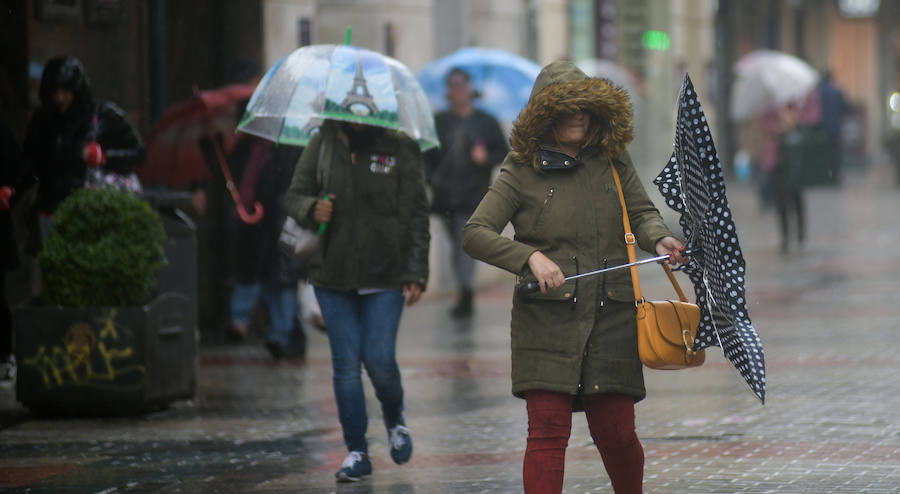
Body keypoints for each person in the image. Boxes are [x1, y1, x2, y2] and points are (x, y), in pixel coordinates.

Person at [462, 61, 685, 494]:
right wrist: (530, 258)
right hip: (546, 320)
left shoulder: (611, 159)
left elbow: (641, 212)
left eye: (585, 106)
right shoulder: (521, 168)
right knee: (547, 434)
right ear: (545, 115)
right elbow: (475, 233)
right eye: (568, 108)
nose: (578, 115)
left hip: (612, 315)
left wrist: (658, 238)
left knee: (617, 433)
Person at [284, 119, 429, 482]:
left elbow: (416, 213)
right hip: (332, 276)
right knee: (346, 366)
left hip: (385, 275)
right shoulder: (323, 142)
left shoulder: (400, 146)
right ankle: (357, 451)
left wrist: (416, 271)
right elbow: (294, 195)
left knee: (379, 360)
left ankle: (395, 420)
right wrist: (312, 208)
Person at [198, 127, 306, 358]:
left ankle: (282, 335)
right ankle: (254, 325)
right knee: (257, 277)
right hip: (251, 227)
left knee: (282, 282)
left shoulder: (288, 149)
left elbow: (290, 187)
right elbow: (228, 175)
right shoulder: (246, 147)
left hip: (281, 224)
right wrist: (213, 148)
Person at [425, 68, 507, 317]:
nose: (458, 90)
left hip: (474, 196)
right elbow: (426, 155)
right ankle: (464, 288)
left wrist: (485, 158)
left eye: (462, 85)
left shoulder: (486, 122)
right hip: (445, 196)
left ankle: (466, 292)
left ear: (470, 89)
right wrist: (431, 179)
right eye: (453, 86)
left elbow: (503, 152)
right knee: (457, 244)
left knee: (465, 242)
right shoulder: (439, 122)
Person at [23, 56, 145, 217]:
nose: (60, 98)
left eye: (66, 91)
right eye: (55, 91)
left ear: (76, 90)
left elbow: (138, 153)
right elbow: (29, 163)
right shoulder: (42, 121)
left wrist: (104, 156)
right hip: (50, 208)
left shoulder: (103, 116)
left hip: (93, 208)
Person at [772, 103, 806, 253]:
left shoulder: (797, 126)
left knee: (797, 202)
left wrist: (791, 125)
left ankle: (800, 235)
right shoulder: (772, 118)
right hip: (777, 169)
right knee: (781, 205)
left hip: (793, 170)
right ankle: (785, 237)